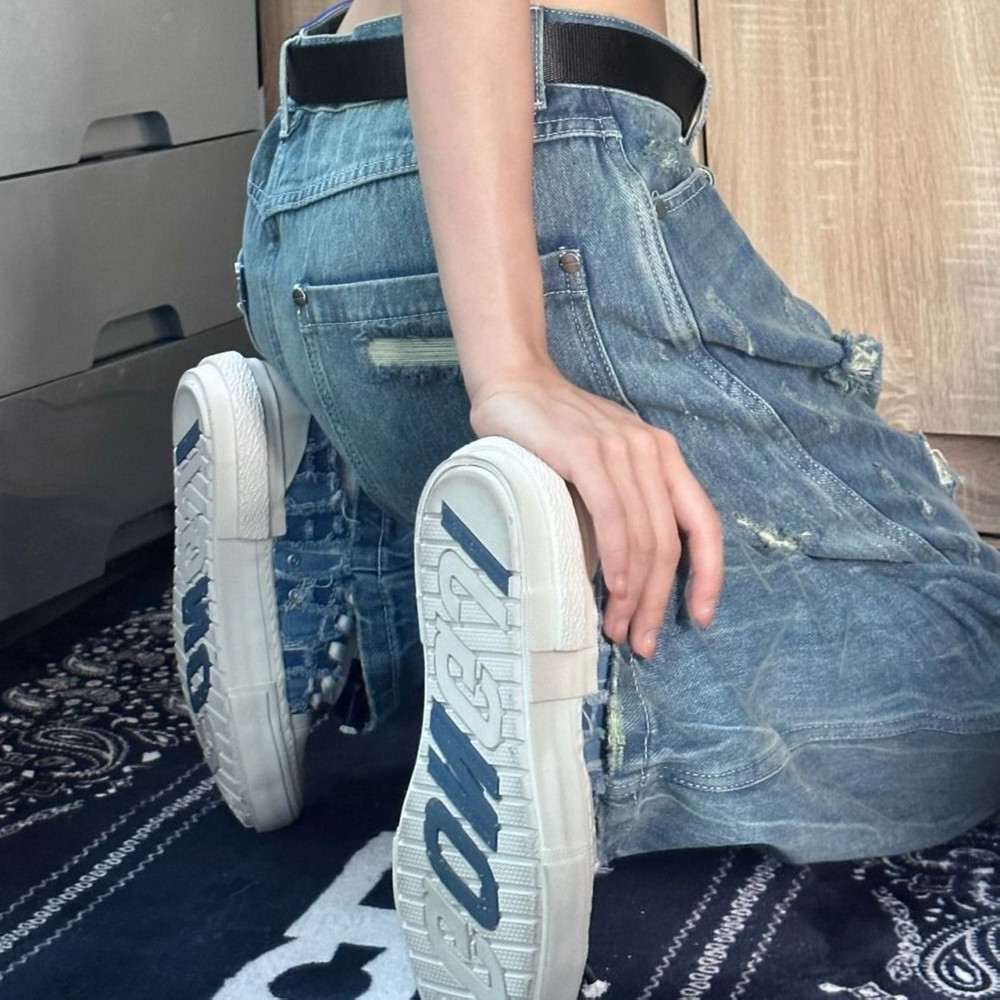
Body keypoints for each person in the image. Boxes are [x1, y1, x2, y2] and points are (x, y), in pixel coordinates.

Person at [171, 1, 1000, 995]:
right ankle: (580, 721)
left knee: (567, 532)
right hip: (535, 163)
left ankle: (320, 548)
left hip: (311, 194)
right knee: (973, 657)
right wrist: (510, 366)